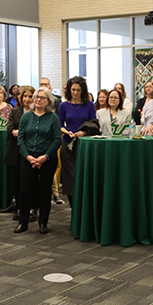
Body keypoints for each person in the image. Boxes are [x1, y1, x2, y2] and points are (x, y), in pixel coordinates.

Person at [14, 87, 62, 234]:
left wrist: (44, 157)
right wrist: (28, 156)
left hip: (46, 159)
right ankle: (23, 222)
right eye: (37, 97)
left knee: (44, 191)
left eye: (42, 97)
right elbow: (21, 139)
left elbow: (57, 140)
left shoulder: (53, 118)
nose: (38, 100)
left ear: (48, 101)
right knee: (25, 190)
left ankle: (43, 222)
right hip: (28, 158)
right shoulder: (26, 116)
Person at [59, 76, 96, 207]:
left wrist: (83, 132)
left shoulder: (90, 105)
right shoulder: (63, 105)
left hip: (84, 144)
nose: (75, 92)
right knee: (70, 180)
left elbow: (94, 124)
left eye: (78, 90)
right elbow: (59, 125)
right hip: (68, 145)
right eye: (73, 89)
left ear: (83, 91)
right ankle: (73, 208)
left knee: (84, 178)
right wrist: (66, 131)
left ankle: (85, 208)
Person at [5, 86, 37, 221]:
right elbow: (10, 128)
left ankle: (32, 208)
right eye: (24, 96)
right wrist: (16, 132)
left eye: (30, 96)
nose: (27, 99)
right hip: (15, 152)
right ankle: (19, 207)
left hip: (32, 152)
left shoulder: (38, 113)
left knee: (32, 182)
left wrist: (22, 132)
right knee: (17, 182)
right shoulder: (15, 111)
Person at [39, 77, 64, 205]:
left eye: (46, 84)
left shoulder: (57, 101)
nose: (43, 86)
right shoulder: (36, 102)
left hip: (53, 139)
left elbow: (58, 120)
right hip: (39, 141)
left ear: (50, 86)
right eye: (41, 84)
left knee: (55, 166)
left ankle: (55, 192)